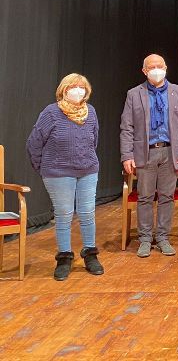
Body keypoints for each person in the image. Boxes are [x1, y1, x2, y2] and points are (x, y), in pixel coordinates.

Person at [27, 74, 103, 281]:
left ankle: (90, 254)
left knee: (88, 213)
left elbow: (93, 140)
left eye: (82, 87)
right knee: (64, 214)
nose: (78, 90)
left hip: (87, 170)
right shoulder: (51, 113)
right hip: (58, 173)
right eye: (73, 87)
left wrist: (85, 158)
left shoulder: (91, 112)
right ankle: (64, 257)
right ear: (63, 90)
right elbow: (34, 142)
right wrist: (43, 167)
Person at [120, 53, 178, 258]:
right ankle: (145, 238)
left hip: (171, 152)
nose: (156, 70)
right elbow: (126, 127)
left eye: (159, 66)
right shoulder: (134, 94)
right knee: (144, 196)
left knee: (167, 196)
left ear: (166, 68)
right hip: (145, 153)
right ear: (144, 71)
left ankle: (162, 237)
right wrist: (127, 155)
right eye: (151, 67)